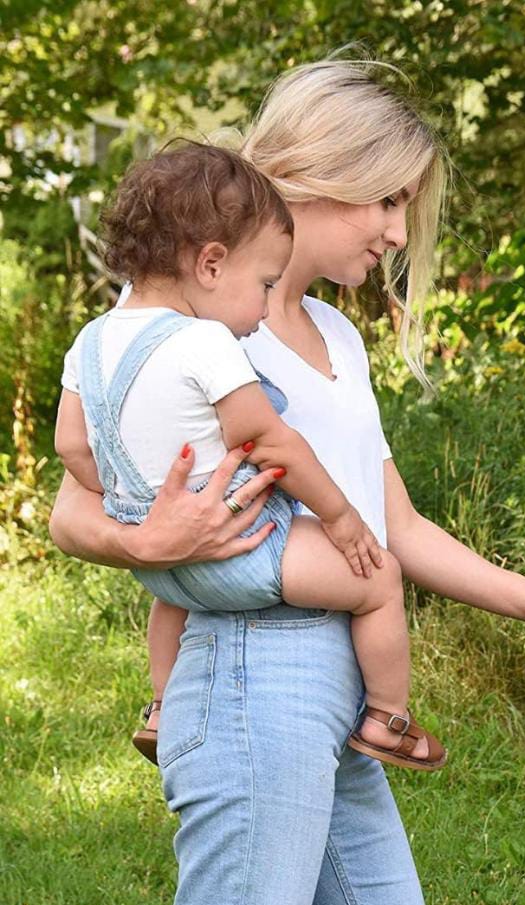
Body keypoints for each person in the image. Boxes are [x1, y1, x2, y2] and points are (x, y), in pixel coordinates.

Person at [48, 56, 525, 905]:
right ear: (315, 174)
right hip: (246, 686)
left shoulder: (330, 337)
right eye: (387, 200)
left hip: (336, 702)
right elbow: (73, 500)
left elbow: (390, 523)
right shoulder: (195, 325)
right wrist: (148, 543)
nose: (398, 233)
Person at [54, 140, 443, 772]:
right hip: (247, 545)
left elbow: (73, 445)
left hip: (158, 556)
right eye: (262, 285)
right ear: (210, 264)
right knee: (378, 581)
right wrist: (343, 519)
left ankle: (163, 707)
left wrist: (139, 499)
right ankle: (387, 716)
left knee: (175, 600)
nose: (264, 309)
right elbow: (273, 443)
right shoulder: (205, 342)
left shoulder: (91, 340)